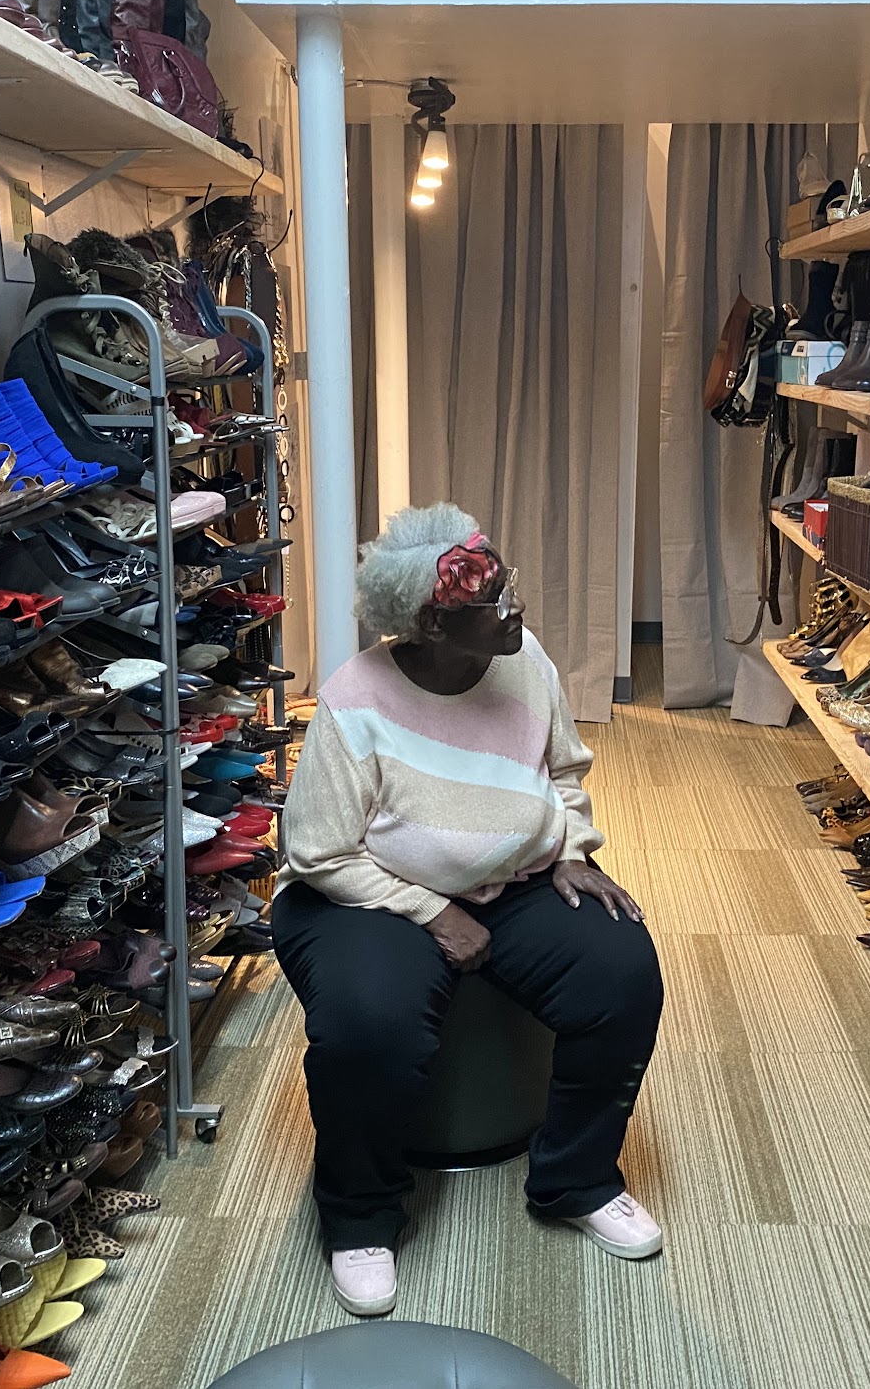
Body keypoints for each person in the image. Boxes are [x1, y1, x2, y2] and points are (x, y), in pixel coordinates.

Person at [274, 502, 666, 1318]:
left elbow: (563, 771)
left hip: (513, 880)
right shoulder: (356, 699)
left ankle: (578, 1179)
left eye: (508, 584)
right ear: (432, 623)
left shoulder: (528, 662)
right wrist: (428, 911)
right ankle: (360, 1215)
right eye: (495, 599)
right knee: (369, 1025)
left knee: (622, 971)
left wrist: (572, 848)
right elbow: (317, 853)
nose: (517, 606)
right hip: (360, 894)